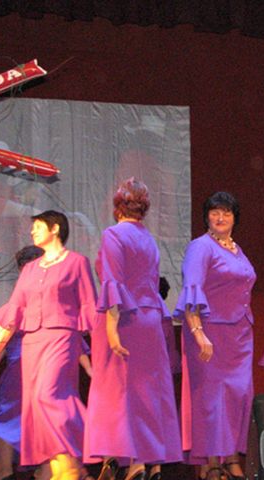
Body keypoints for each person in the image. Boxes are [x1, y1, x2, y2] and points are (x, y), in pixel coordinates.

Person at [0, 210, 98, 479]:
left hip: (62, 338)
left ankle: (72, 460)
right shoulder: (31, 269)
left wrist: (102, 352)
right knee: (35, 404)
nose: (32, 231)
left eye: (38, 226)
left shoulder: (77, 262)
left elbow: (90, 308)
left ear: (55, 229)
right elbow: (14, 311)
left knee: (49, 395)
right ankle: (64, 468)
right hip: (32, 342)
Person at [84, 178, 182, 480]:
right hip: (150, 321)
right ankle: (140, 460)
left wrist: (112, 329)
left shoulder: (114, 234)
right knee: (145, 393)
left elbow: (113, 283)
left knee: (118, 393)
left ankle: (131, 462)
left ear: (118, 207)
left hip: (125, 320)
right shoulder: (148, 238)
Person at [176, 191, 256, 480]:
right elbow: (191, 290)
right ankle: (211, 462)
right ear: (206, 217)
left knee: (238, 396)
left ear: (235, 218)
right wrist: (198, 332)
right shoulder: (200, 247)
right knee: (211, 399)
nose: (221, 217)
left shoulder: (237, 249)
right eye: (215, 212)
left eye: (227, 212)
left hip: (239, 337)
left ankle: (231, 457)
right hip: (210, 333)